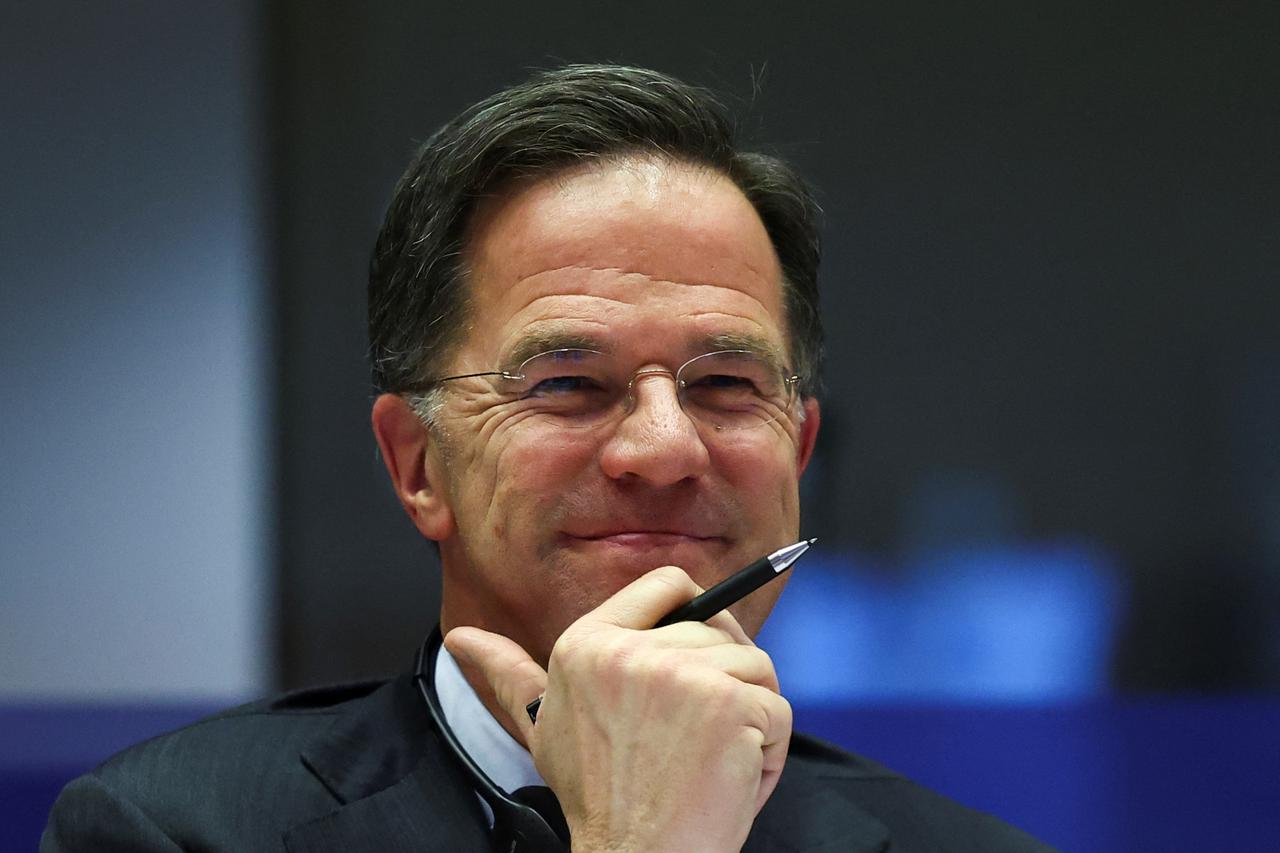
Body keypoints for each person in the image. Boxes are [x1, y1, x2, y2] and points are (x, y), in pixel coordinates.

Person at [43, 64, 1056, 852]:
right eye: (566, 383)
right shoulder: (171, 829)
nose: (663, 448)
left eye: (724, 387)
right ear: (417, 466)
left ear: (797, 452)